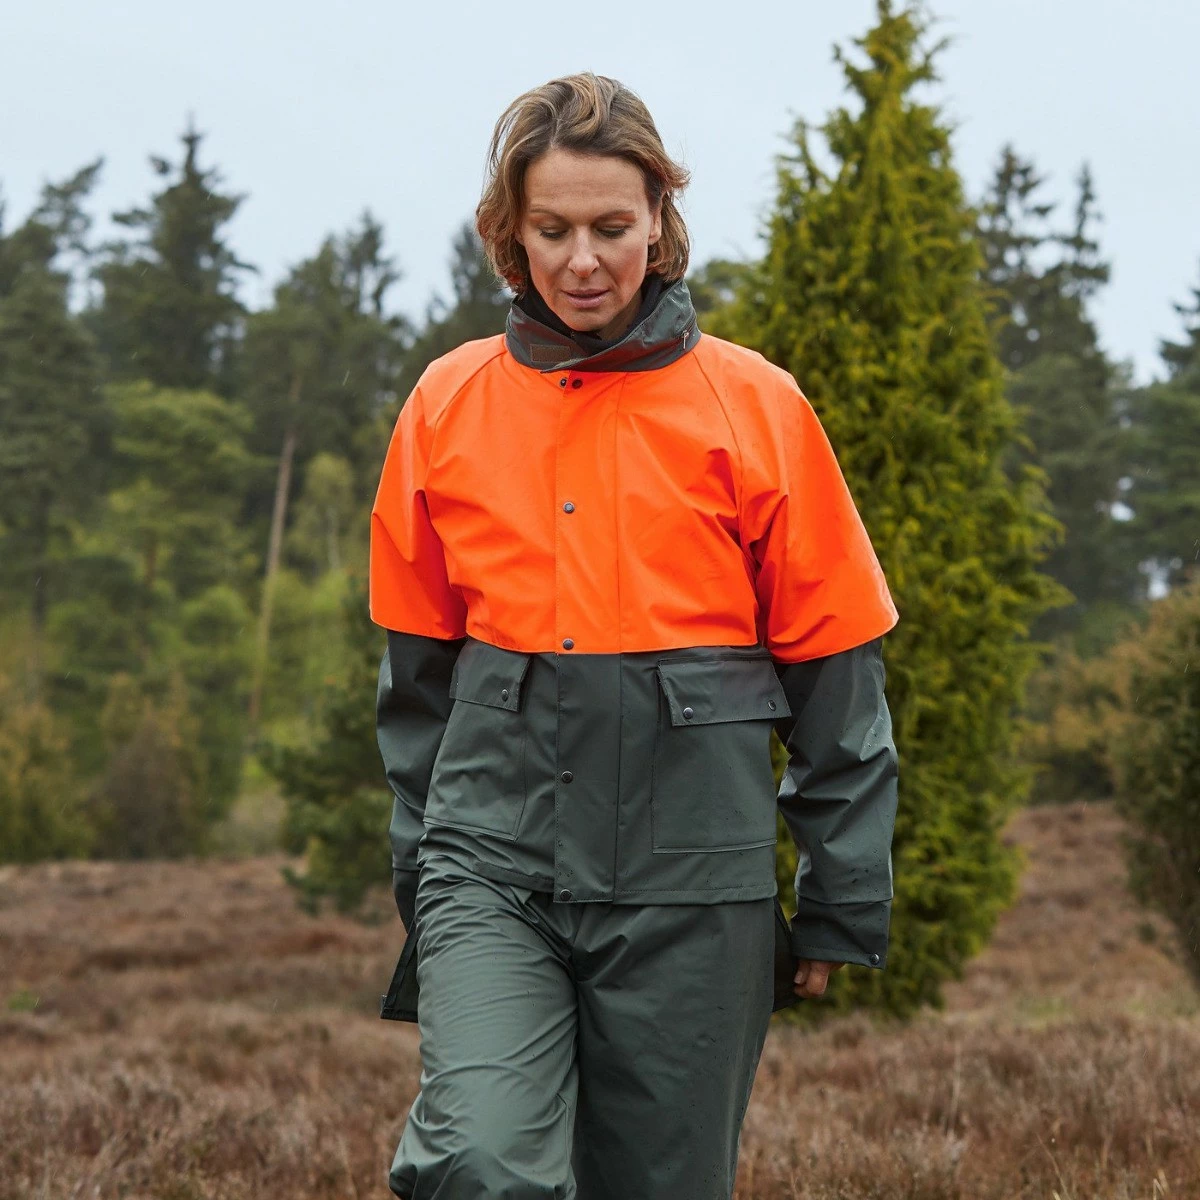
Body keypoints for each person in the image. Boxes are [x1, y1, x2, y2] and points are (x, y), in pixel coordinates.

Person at [370, 72, 899, 1200]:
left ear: (659, 217)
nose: (582, 260)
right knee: (478, 1161)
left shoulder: (758, 407)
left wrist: (841, 894)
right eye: (551, 230)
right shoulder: (446, 404)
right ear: (509, 232)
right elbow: (414, 685)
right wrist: (424, 871)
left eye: (611, 227)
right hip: (492, 866)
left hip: (695, 885)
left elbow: (837, 678)